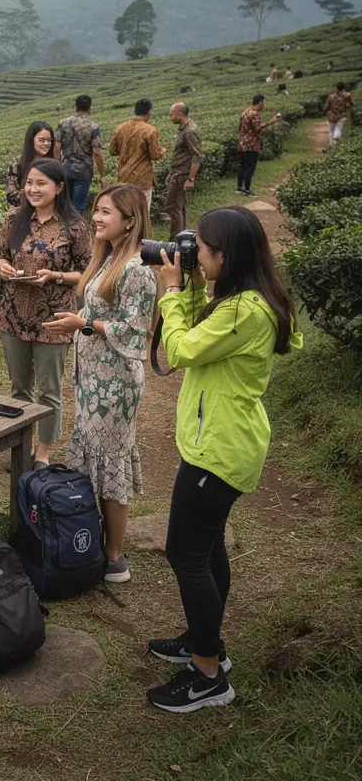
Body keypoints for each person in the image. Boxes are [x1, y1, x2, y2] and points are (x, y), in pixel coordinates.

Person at [146, 206, 302, 713]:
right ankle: (203, 641)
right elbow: (200, 332)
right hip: (215, 442)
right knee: (206, 548)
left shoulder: (245, 311)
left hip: (221, 448)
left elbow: (183, 348)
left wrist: (170, 291)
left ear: (226, 255)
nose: (197, 257)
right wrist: (191, 286)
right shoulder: (239, 300)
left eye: (202, 250)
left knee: (185, 553)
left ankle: (209, 675)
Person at [43, 184, 156, 584]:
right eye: (96, 210)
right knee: (93, 457)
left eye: (107, 212)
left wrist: (84, 323)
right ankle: (90, 541)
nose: (97, 217)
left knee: (111, 463)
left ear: (130, 222)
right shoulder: (107, 260)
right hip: (94, 380)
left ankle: (114, 558)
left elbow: (135, 331)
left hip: (116, 384)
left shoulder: (138, 270)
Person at [0, 158, 92, 466]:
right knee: (19, 388)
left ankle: (44, 452)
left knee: (49, 389)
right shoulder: (13, 219)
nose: (33, 189)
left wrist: (55, 276)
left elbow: (87, 273)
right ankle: (20, 448)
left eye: (41, 183)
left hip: (54, 319)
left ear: (59, 188)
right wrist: (3, 268)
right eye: (29, 183)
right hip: (14, 315)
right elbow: (0, 256)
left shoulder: (75, 227)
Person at [109, 98, 166, 214]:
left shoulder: (120, 128)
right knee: (142, 213)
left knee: (126, 212)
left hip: (123, 177)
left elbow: (112, 151)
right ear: (149, 112)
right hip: (142, 179)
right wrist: (162, 151)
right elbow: (155, 155)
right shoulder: (150, 131)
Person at [55, 94, 105, 213]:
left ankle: (62, 228)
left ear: (75, 107)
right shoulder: (93, 127)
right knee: (78, 206)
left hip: (65, 167)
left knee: (64, 204)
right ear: (90, 108)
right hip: (84, 170)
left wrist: (57, 166)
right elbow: (97, 153)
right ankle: (75, 230)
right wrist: (102, 174)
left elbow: (57, 147)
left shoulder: (63, 123)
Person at [162, 103, 205, 239]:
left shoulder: (189, 131)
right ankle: (182, 236)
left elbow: (197, 156)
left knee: (173, 207)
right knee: (179, 207)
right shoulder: (184, 128)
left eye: (171, 114)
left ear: (179, 114)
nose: (170, 117)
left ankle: (176, 239)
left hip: (182, 175)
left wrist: (190, 179)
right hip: (177, 172)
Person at [236, 95, 282, 197]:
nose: (264, 104)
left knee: (243, 166)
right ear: (260, 102)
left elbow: (239, 128)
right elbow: (258, 128)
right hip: (251, 144)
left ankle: (239, 188)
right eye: (263, 102)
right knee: (250, 167)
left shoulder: (245, 111)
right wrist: (272, 121)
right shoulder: (254, 114)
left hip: (242, 142)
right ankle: (247, 190)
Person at [5, 121, 55, 207]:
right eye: (41, 140)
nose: (46, 144)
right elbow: (11, 196)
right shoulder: (17, 164)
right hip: (25, 213)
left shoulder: (54, 163)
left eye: (49, 140)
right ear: (31, 140)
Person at [324, 82, 354, 147]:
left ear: (336, 88)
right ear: (343, 88)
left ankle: (332, 145)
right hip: (341, 116)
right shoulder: (347, 95)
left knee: (331, 130)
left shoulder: (331, 97)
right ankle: (336, 144)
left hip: (332, 116)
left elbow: (326, 107)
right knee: (338, 129)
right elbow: (352, 103)